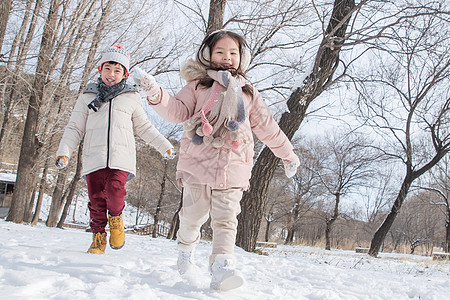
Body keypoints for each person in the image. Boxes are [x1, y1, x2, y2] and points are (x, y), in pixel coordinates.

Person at [132, 30, 299, 290]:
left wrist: (287, 154)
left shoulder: (248, 93)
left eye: (233, 53)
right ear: (208, 55)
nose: (226, 57)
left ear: (241, 58)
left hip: (233, 164)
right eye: (220, 52)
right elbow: (177, 111)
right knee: (192, 217)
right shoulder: (198, 86)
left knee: (226, 218)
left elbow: (268, 127)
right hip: (198, 163)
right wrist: (155, 92)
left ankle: (222, 267)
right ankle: (186, 249)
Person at [55, 45, 175, 255]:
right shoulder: (87, 97)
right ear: (100, 70)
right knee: (96, 200)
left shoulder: (131, 97)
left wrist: (164, 146)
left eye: (117, 70)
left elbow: (144, 128)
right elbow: (74, 127)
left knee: (114, 193)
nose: (112, 74)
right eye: (108, 68)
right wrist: (64, 151)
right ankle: (98, 237)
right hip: (94, 157)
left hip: (121, 158)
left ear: (125, 74)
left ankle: (117, 221)